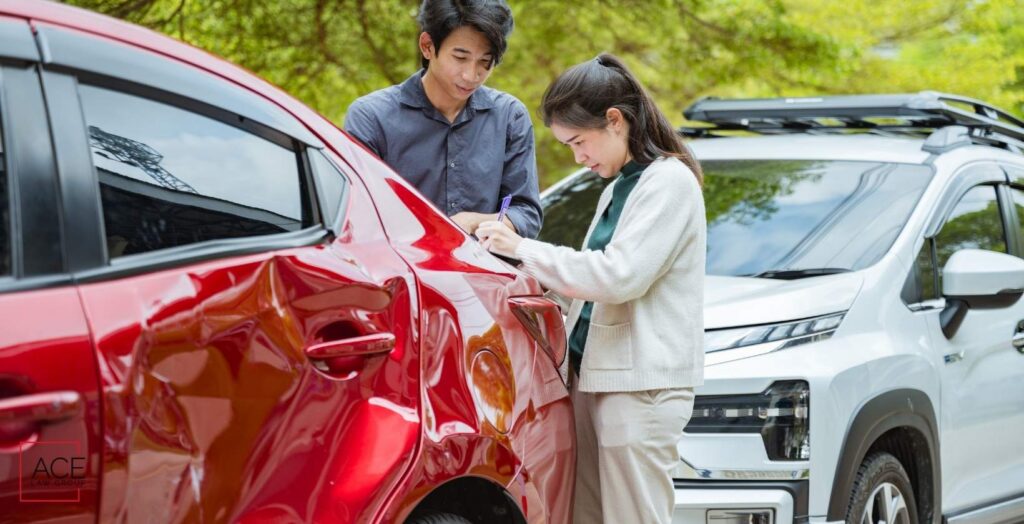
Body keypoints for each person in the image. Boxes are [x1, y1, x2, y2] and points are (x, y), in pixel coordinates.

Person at [476, 53, 706, 524]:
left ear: (615, 121)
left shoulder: (669, 183)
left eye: (580, 142)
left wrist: (523, 247)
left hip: (641, 388)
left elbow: (619, 276)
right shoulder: (618, 186)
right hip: (595, 380)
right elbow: (587, 288)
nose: (579, 157)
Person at [344, 0, 542, 238]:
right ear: (427, 46)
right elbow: (359, 217)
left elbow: (526, 214)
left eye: (485, 62)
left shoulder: (510, 116)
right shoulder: (372, 117)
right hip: (406, 269)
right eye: (460, 58)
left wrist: (473, 222)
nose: (471, 75)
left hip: (487, 272)